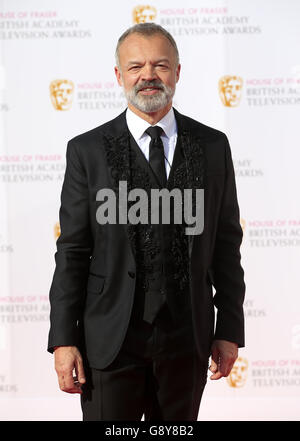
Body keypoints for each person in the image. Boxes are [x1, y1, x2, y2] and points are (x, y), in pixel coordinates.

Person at [48, 22, 245, 421]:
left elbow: (227, 245)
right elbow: (71, 251)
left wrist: (229, 328)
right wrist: (63, 340)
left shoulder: (212, 147)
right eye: (136, 66)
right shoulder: (87, 151)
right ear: (120, 76)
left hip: (186, 338)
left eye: (160, 65)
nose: (148, 75)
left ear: (177, 72)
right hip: (109, 340)